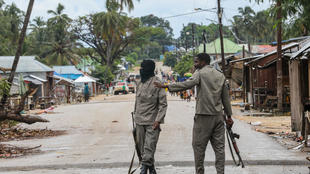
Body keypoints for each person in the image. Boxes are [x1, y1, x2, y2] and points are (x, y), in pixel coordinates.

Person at [154, 53, 233, 174]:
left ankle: (200, 172)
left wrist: (165, 85)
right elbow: (225, 98)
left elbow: (186, 84)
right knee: (220, 149)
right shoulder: (220, 75)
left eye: (196, 62)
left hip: (203, 116)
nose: (194, 65)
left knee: (199, 147)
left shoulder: (200, 73)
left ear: (203, 62)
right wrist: (229, 116)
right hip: (218, 117)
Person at [134, 59, 167, 174]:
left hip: (152, 122)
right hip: (139, 121)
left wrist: (158, 120)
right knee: (143, 150)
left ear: (148, 69)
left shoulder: (157, 83)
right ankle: (151, 169)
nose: (141, 70)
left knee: (149, 148)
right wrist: (135, 120)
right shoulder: (139, 83)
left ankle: (143, 171)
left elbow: (163, 104)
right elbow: (137, 102)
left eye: (143, 68)